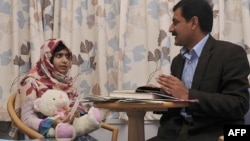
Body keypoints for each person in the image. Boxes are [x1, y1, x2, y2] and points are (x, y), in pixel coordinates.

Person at [147, 0, 250, 141]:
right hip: (173, 135)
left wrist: (188, 95)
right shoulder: (178, 61)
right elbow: (178, 104)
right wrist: (161, 95)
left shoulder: (230, 54)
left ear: (194, 23)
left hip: (212, 135)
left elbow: (239, 104)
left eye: (175, 22)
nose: (170, 29)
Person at [15, 38, 105, 140]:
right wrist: (51, 123)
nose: (65, 60)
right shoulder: (30, 82)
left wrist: (76, 113)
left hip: (68, 131)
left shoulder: (65, 83)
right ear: (48, 58)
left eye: (67, 56)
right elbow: (27, 119)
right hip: (41, 135)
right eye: (59, 55)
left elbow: (78, 108)